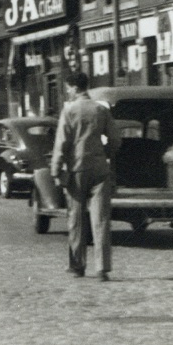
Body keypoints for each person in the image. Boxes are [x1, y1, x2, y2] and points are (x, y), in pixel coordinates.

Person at [51, 70, 118, 281]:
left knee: (76, 218)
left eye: (68, 89)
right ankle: (102, 268)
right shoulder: (100, 109)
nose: (68, 93)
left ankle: (78, 265)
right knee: (101, 219)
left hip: (76, 168)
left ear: (74, 88)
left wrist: (56, 169)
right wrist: (104, 154)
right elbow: (115, 140)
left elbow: (61, 144)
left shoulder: (69, 111)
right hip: (99, 168)